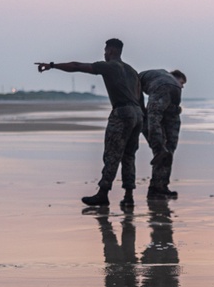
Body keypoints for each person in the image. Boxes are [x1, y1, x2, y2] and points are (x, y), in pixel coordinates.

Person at [36, 38, 144, 208]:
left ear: (112, 51)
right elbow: (140, 97)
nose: (104, 53)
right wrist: (141, 120)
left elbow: (77, 66)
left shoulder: (109, 66)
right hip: (138, 114)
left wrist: (52, 65)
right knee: (129, 155)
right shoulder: (132, 71)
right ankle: (128, 196)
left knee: (112, 154)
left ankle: (103, 193)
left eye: (106, 50)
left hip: (122, 112)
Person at [139, 69, 186, 199]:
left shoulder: (156, 79)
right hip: (157, 100)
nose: (182, 86)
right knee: (163, 149)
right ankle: (158, 187)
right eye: (182, 82)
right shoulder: (166, 83)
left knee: (165, 150)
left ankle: (160, 187)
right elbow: (155, 117)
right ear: (175, 78)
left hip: (162, 105)